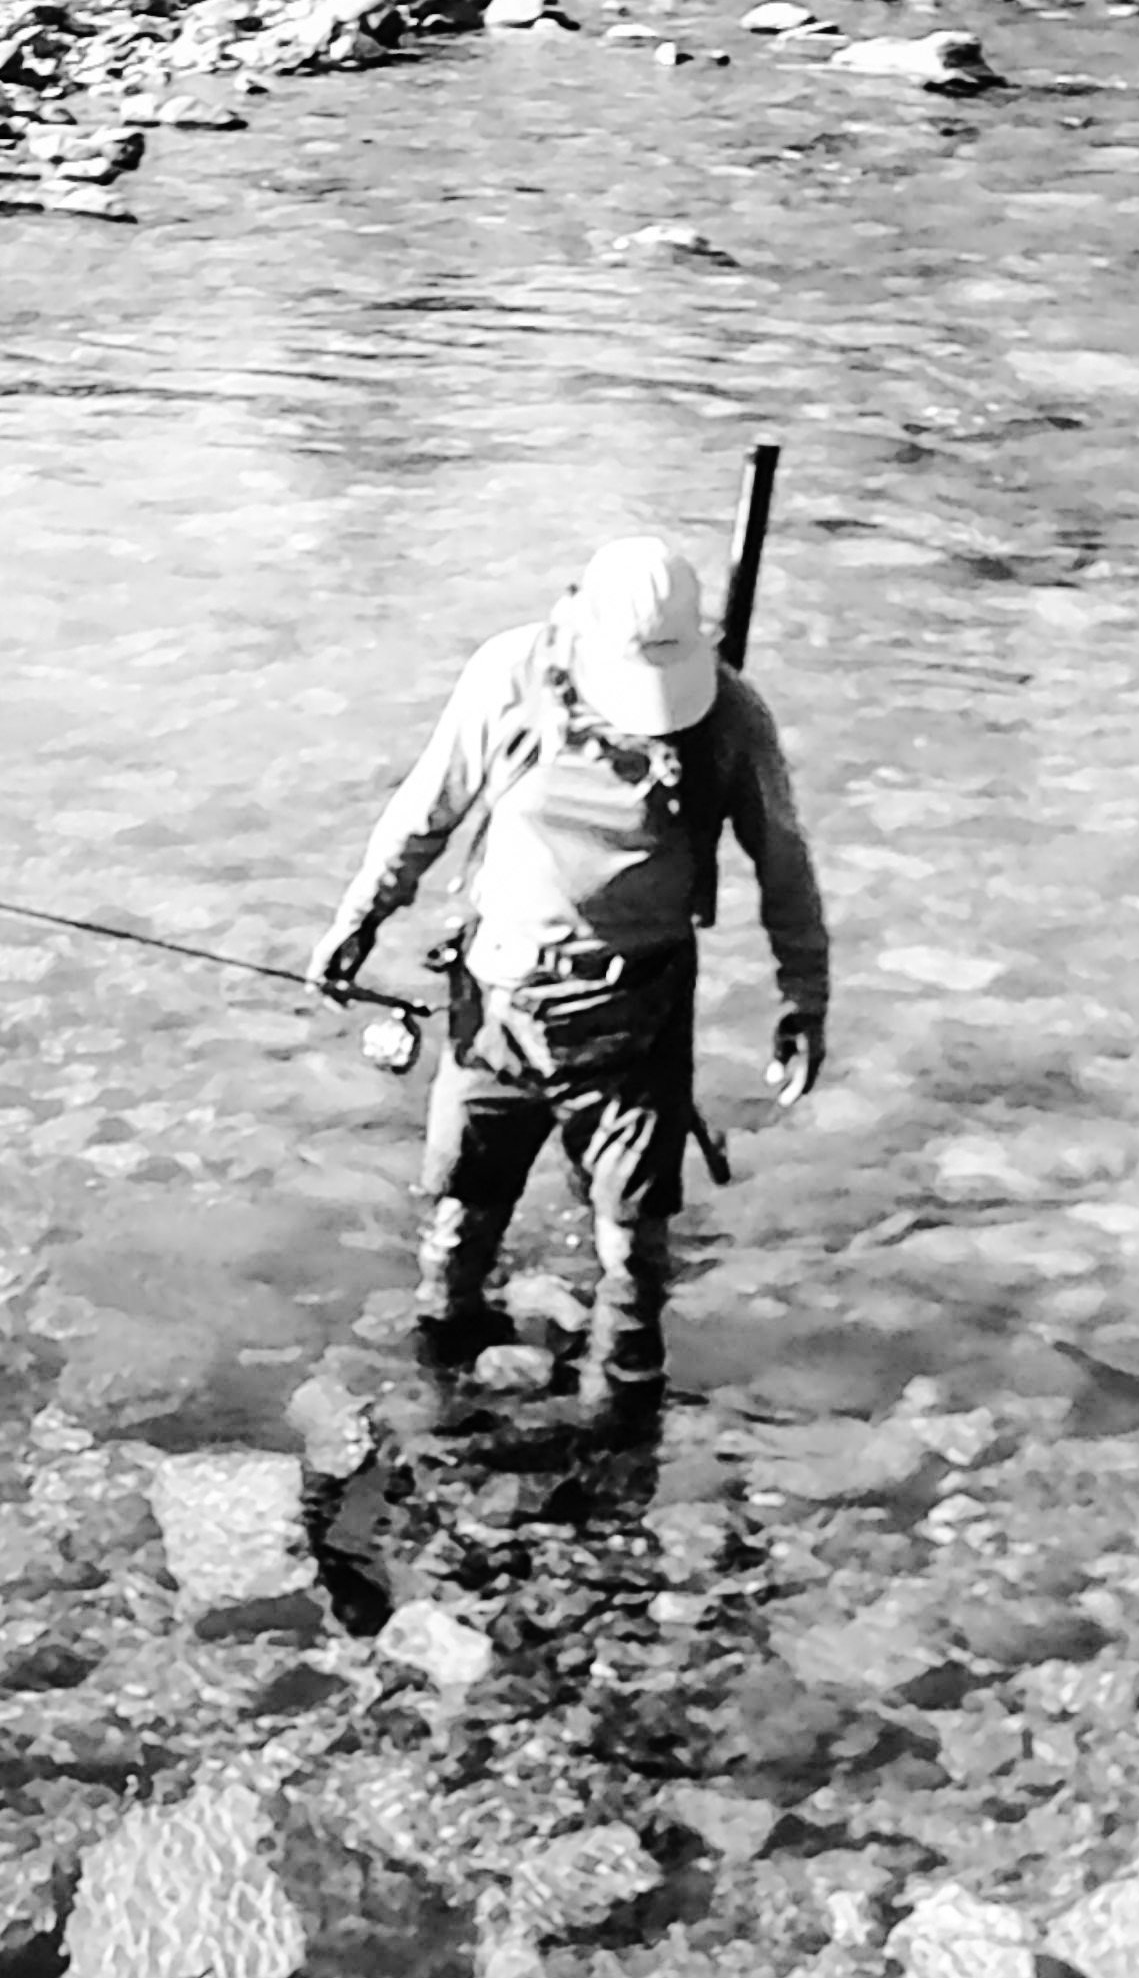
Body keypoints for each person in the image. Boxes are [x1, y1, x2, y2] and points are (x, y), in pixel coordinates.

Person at [307, 534, 829, 1450]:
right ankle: (443, 1427)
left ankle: (620, 1440)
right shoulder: (509, 677)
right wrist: (360, 919)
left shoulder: (730, 715)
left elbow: (780, 856)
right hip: (497, 1005)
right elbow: (429, 808)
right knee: (456, 1232)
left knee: (634, 1254)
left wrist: (804, 996)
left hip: (637, 1021)